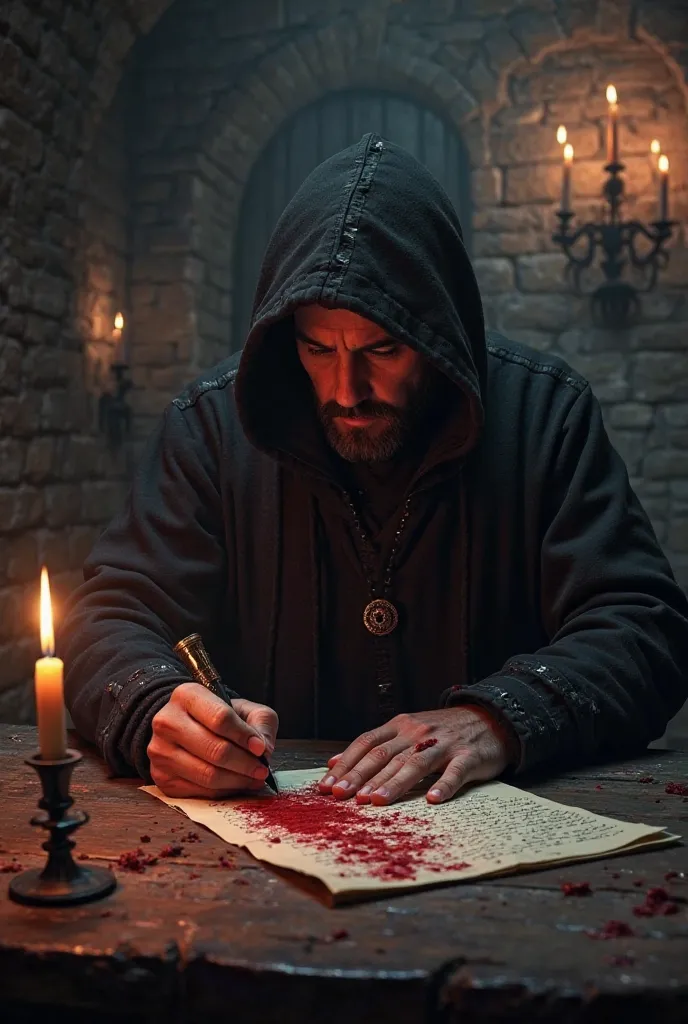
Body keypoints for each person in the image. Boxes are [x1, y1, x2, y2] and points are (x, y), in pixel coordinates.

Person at [61, 134, 688, 808]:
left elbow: (642, 626)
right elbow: (109, 615)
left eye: (383, 348)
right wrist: (154, 703)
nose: (346, 388)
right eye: (316, 348)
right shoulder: (209, 428)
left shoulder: (545, 414)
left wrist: (501, 717)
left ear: (438, 330)